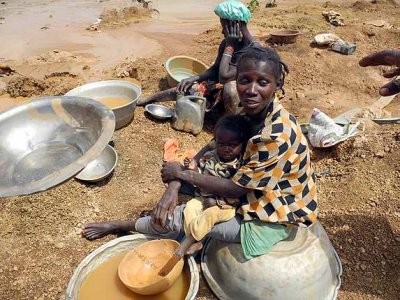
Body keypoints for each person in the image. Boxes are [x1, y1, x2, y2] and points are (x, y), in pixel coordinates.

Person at [83, 46, 318, 259]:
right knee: (188, 181)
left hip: (275, 207)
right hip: (246, 179)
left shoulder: (276, 135)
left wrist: (183, 175)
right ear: (236, 80)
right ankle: (177, 227)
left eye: (263, 82)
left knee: (187, 218)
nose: (251, 90)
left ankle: (124, 225)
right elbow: (215, 143)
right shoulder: (247, 107)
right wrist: (175, 184)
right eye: (245, 80)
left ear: (277, 84)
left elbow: (237, 188)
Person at [137, 0, 260, 115]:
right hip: (220, 87)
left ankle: (232, 122)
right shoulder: (228, 43)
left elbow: (224, 77)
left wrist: (229, 46)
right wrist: (194, 78)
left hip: (240, 97)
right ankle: (149, 99)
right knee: (184, 89)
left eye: (224, 27)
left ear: (235, 25)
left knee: (230, 89)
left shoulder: (254, 51)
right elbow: (216, 68)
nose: (222, 31)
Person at [174, 114, 250, 257]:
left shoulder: (240, 166)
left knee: (210, 214)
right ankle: (197, 239)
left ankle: (190, 241)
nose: (226, 148)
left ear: (242, 144)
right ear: (215, 142)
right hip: (203, 197)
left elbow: (238, 192)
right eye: (221, 144)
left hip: (227, 206)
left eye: (232, 145)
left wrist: (217, 202)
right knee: (189, 209)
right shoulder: (209, 156)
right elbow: (200, 175)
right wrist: (193, 168)